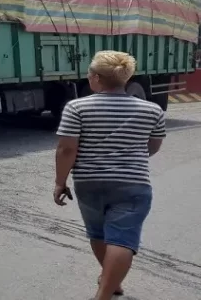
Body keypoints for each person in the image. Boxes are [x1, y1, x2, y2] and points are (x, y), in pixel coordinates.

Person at [54, 51, 165, 300]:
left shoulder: (77, 107)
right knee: (123, 238)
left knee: (98, 233)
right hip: (133, 183)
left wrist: (60, 182)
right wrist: (130, 159)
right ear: (126, 78)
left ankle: (108, 285)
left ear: (95, 78)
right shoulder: (152, 110)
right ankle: (106, 289)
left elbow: (67, 149)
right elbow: (153, 146)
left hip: (88, 182)